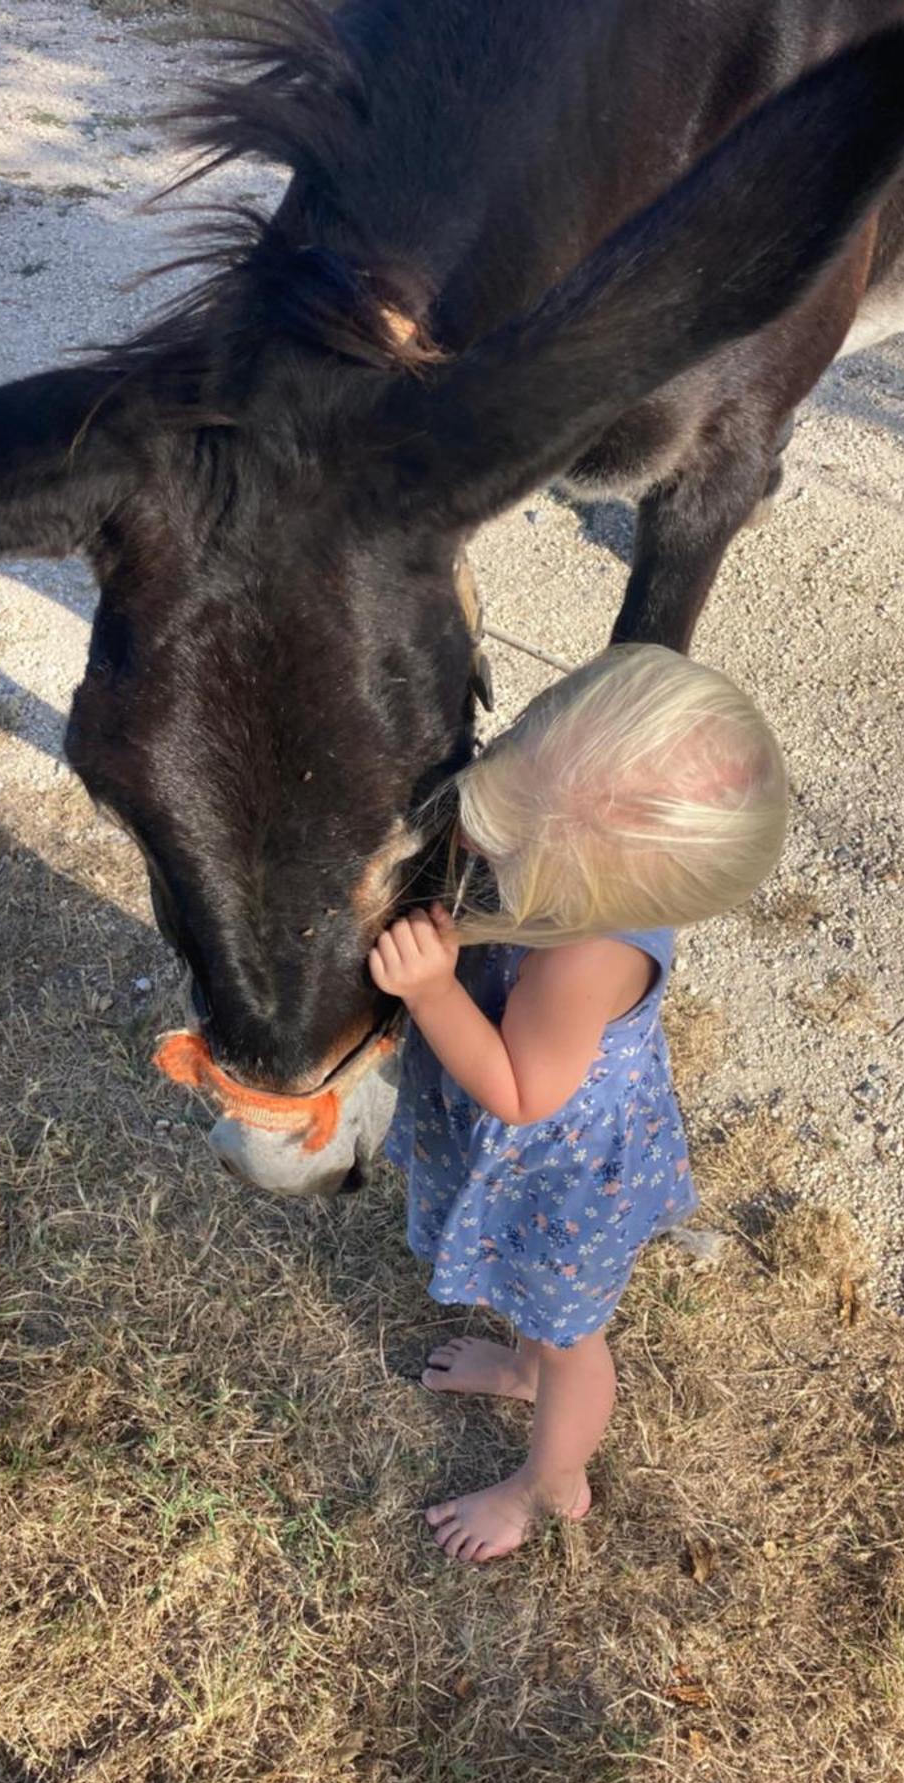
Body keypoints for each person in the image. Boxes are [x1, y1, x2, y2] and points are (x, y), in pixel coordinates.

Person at [370, 642, 789, 1563]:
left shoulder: (583, 956)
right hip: (549, 1152)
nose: (480, 831)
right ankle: (524, 1366)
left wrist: (433, 991)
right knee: (542, 1323)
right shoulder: (609, 870)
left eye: (513, 831)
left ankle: (545, 1483)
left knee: (574, 1340)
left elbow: (523, 1093)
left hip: (559, 1180)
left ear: (597, 886)